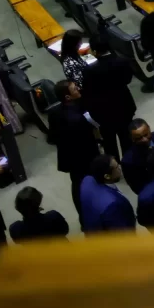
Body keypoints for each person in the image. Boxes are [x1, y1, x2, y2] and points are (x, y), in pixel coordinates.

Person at [48, 80, 100, 216]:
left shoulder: (54, 112)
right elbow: (90, 138)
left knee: (76, 183)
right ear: (68, 97)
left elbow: (51, 138)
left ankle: (83, 214)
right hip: (84, 156)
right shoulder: (78, 119)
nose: (78, 88)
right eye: (75, 88)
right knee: (88, 183)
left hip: (68, 156)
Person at [83, 44, 139, 160]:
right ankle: (129, 162)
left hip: (103, 112)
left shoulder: (89, 70)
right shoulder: (122, 61)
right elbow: (128, 79)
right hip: (124, 106)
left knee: (109, 142)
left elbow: (88, 91)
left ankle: (113, 164)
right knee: (127, 139)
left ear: (95, 51)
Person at [78, 155, 136, 234]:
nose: (120, 168)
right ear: (107, 176)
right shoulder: (113, 206)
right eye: (117, 167)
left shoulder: (87, 180)